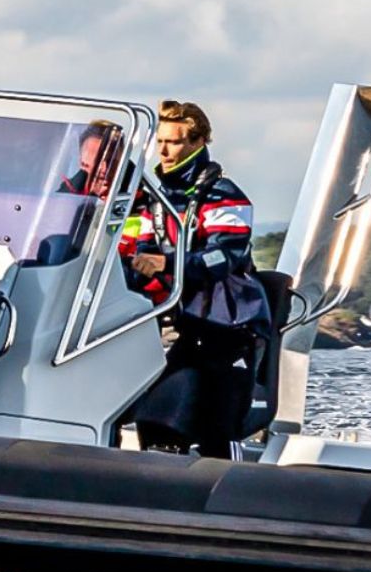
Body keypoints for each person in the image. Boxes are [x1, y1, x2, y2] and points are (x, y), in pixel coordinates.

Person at [120, 99, 270, 456]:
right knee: (156, 417)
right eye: (159, 143)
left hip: (228, 327)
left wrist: (168, 263)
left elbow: (224, 256)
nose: (164, 150)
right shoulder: (154, 200)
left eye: (173, 142)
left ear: (198, 142)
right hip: (179, 324)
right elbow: (138, 252)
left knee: (214, 423)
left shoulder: (225, 196)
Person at [61, 119, 124, 198]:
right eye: (97, 160)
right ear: (82, 163)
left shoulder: (136, 201)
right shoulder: (62, 196)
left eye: (111, 160)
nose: (104, 168)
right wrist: (93, 197)